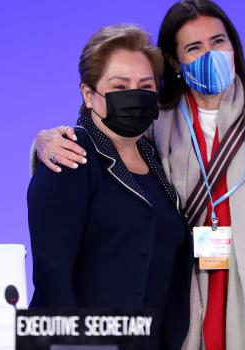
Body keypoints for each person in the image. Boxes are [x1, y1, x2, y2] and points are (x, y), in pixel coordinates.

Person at [33, 0, 245, 350]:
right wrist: (43, 141)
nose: (211, 54)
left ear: (234, 46)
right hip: (182, 309)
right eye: (194, 47)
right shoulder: (157, 121)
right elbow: (98, 143)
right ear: (176, 62)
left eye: (219, 42)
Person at [27, 24, 192, 350]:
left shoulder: (157, 162)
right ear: (89, 95)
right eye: (120, 86)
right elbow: (52, 277)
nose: (135, 94)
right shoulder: (69, 158)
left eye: (145, 85)